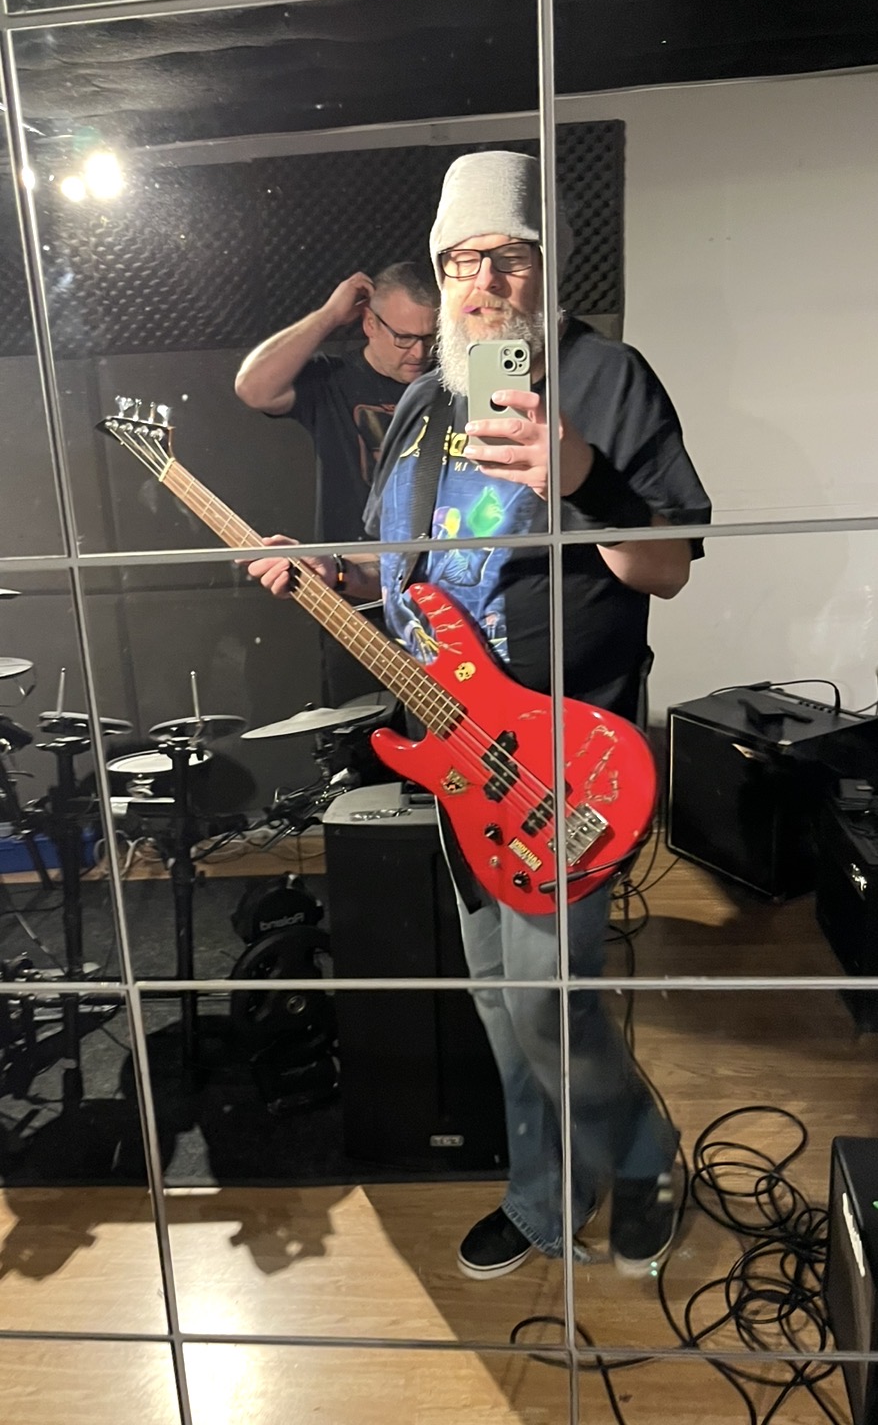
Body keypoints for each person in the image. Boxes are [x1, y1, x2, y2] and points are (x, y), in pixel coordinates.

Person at [248, 151, 712, 1282]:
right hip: (457, 760)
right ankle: (546, 1198)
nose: (484, 283)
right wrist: (326, 573)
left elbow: (662, 571)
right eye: (462, 261)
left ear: (548, 267)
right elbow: (404, 575)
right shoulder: (422, 404)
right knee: (502, 1006)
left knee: (550, 1010)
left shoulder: (606, 378)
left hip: (565, 763)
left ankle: (646, 1166)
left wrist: (580, 475)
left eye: (508, 258)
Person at [235, 261, 438, 704]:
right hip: (356, 606)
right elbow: (253, 388)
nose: (419, 352)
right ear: (370, 322)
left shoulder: (450, 385)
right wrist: (328, 315)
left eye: (430, 337)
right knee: (359, 737)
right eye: (404, 337)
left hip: (441, 605)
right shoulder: (334, 380)